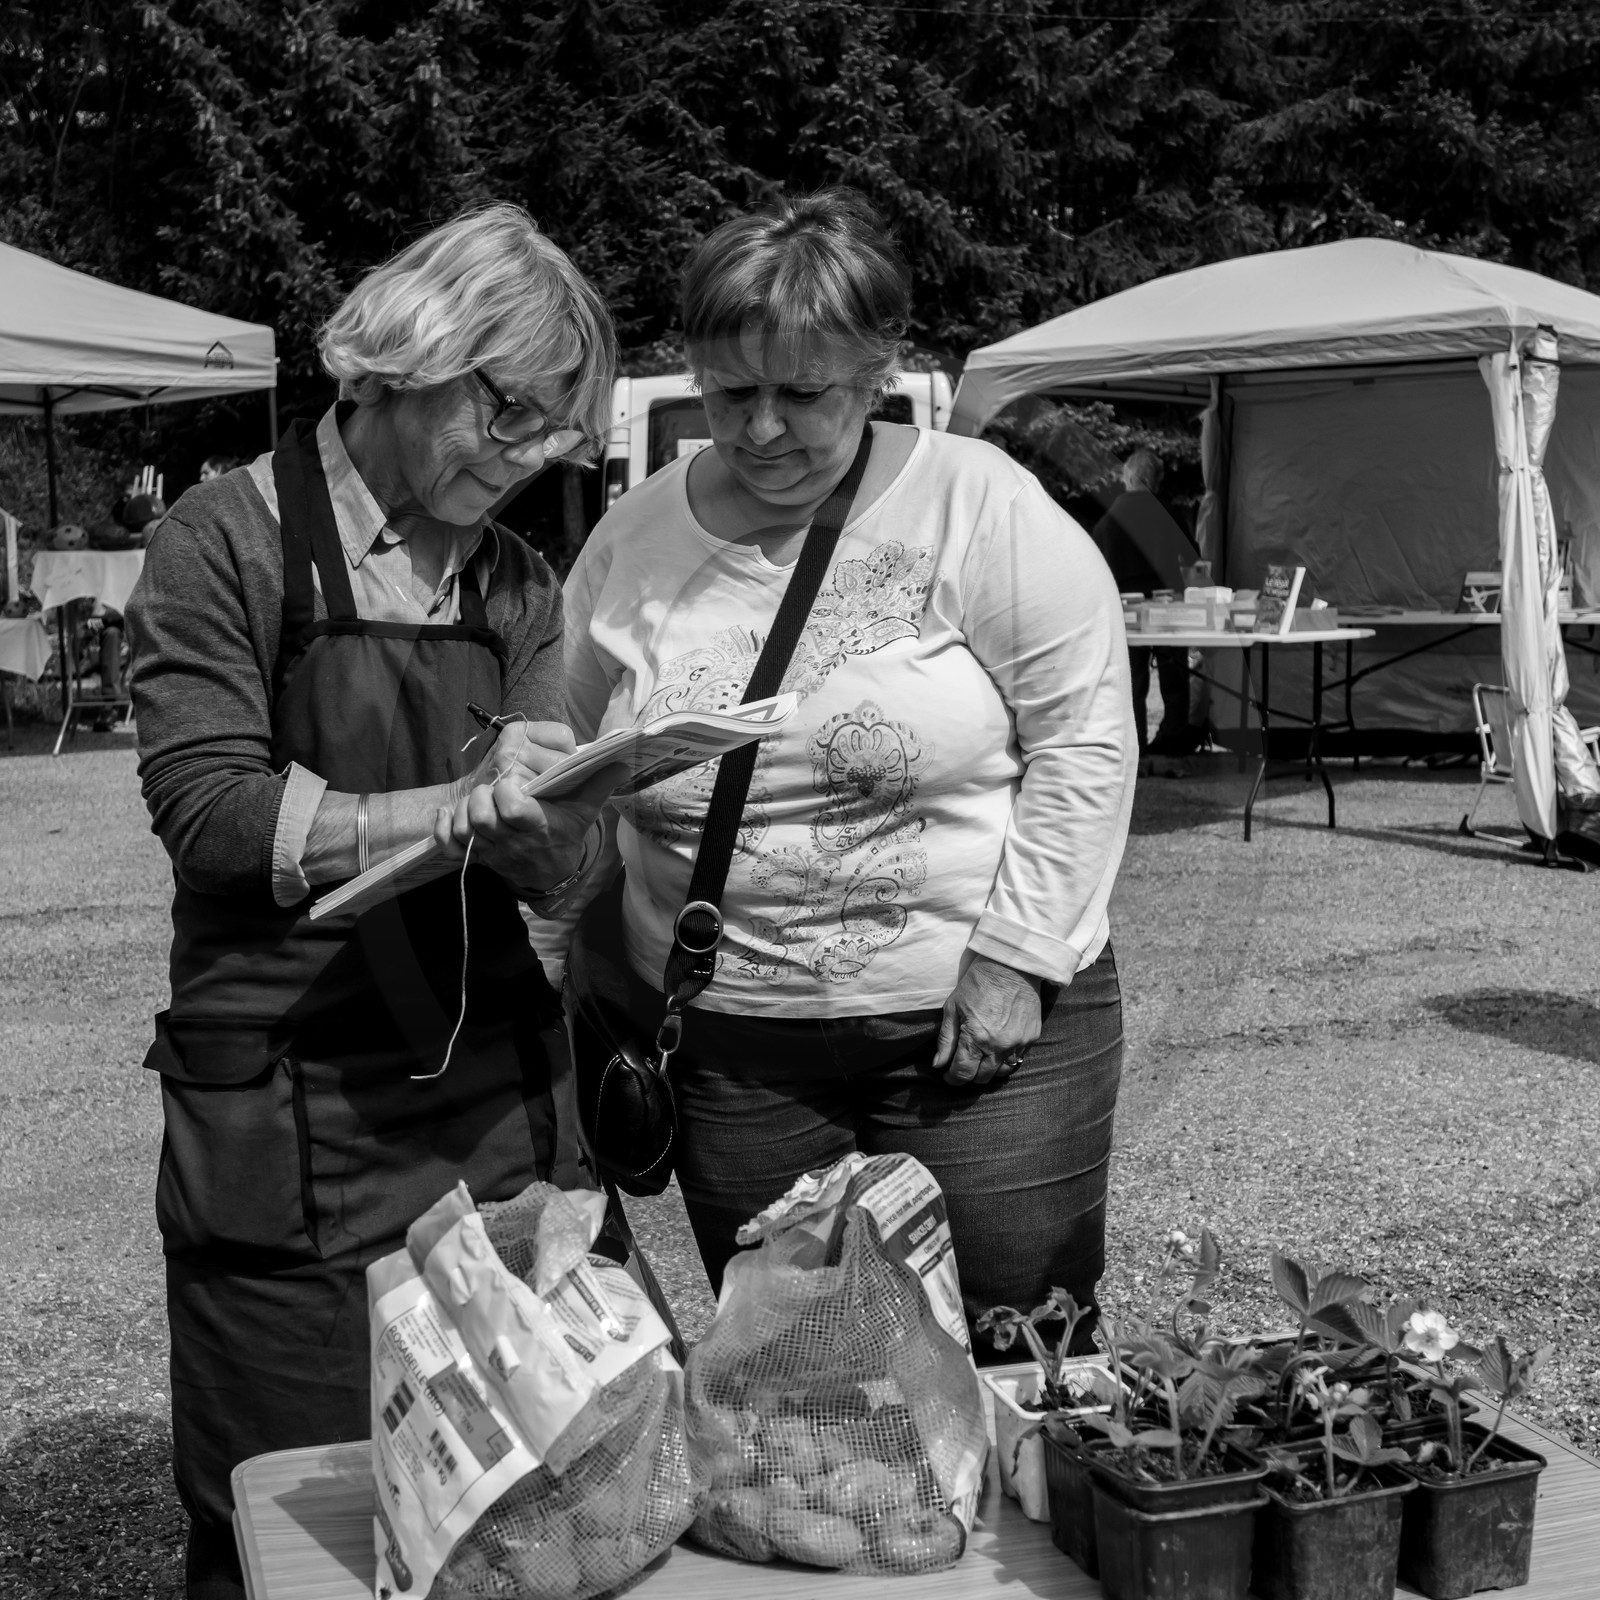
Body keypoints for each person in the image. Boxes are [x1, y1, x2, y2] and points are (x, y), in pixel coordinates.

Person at [526, 189, 1136, 1360]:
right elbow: (566, 762)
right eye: (727, 392)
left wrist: (1016, 958)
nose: (758, 429)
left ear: (876, 371)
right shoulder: (633, 538)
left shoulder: (979, 507)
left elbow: (1086, 741)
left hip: (977, 1045)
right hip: (733, 1054)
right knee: (799, 1372)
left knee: (1015, 1351)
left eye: (801, 395)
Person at [126, 203, 616, 1600]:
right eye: (507, 414)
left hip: (493, 1112)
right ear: (406, 359)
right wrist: (445, 807)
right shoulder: (224, 541)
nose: (525, 463)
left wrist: (549, 826)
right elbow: (214, 817)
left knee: (529, 1506)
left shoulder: (518, 581)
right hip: (288, 1121)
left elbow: (565, 880)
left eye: (552, 436)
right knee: (295, 1533)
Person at [1092, 449, 1202, 755]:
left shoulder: (1108, 518)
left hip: (1126, 611)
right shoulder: (1168, 512)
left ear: (1128, 476)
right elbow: (1193, 559)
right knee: (1174, 678)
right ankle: (1173, 740)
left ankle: (1134, 745)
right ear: (1156, 480)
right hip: (1169, 608)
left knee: (1132, 681)